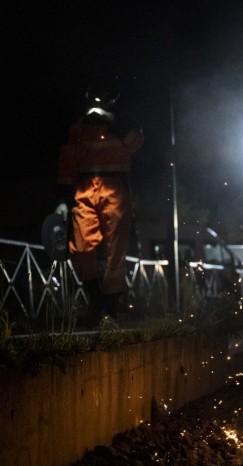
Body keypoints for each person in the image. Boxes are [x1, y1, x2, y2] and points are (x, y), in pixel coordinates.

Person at [56, 84, 143, 327]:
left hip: (115, 187)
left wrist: (113, 120)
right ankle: (96, 301)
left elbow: (136, 143)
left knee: (115, 250)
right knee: (81, 247)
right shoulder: (78, 127)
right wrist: (63, 200)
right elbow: (67, 162)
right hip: (84, 188)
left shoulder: (123, 123)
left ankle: (110, 310)